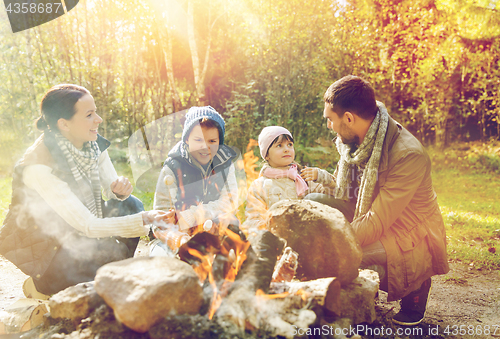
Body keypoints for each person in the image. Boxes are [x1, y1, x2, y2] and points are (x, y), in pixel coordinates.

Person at [302, 75, 449, 326]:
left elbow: (377, 221)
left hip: (406, 232)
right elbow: (343, 187)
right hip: (367, 211)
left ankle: (416, 285)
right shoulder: (358, 139)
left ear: (348, 118)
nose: (329, 125)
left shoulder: (407, 154)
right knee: (314, 203)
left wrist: (331, 243)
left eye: (330, 119)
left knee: (340, 256)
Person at [0, 84, 172, 297]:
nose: (98, 119)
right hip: (50, 250)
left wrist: (119, 191)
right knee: (89, 279)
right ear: (64, 124)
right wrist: (146, 220)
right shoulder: (38, 167)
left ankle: (110, 273)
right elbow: (87, 225)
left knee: (131, 205)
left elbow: (114, 192)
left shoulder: (91, 144)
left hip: (77, 230)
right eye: (90, 115)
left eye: (96, 112)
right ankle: (41, 287)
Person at [152, 106, 240, 254]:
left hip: (214, 229)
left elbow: (230, 202)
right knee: (161, 257)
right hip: (178, 234)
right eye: (198, 139)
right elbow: (160, 217)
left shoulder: (225, 164)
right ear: (187, 139)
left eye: (212, 141)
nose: (205, 146)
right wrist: (179, 239)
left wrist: (193, 214)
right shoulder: (172, 168)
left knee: (235, 244)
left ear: (219, 142)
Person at [242, 126, 324, 235]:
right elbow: (253, 220)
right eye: (279, 145)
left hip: (307, 236)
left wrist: (322, 176)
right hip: (276, 239)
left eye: (290, 144)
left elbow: (329, 197)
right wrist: (273, 224)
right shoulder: (259, 185)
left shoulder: (303, 177)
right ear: (266, 155)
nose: (286, 149)